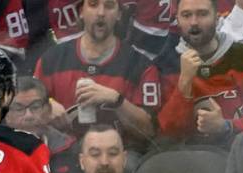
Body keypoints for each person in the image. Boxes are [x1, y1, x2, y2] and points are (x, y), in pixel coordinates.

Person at [33, 0, 161, 149]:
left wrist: (116, 100)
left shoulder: (141, 66)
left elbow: (150, 131)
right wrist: (46, 106)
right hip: (64, 154)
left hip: (120, 156)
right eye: (93, 5)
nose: (101, 13)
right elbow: (24, 110)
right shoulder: (51, 60)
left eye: (109, 6)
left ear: (119, 14)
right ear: (81, 11)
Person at [156, 0, 243, 148]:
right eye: (186, 15)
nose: (194, 22)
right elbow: (168, 133)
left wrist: (226, 126)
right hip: (188, 160)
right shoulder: (166, 65)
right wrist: (184, 82)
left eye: (202, 14)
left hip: (240, 153)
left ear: (217, 18)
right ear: (177, 20)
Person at [3, 76, 78, 173]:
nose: (28, 116)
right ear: (6, 113)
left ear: (48, 110)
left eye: (35, 107)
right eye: (18, 108)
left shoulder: (70, 150)